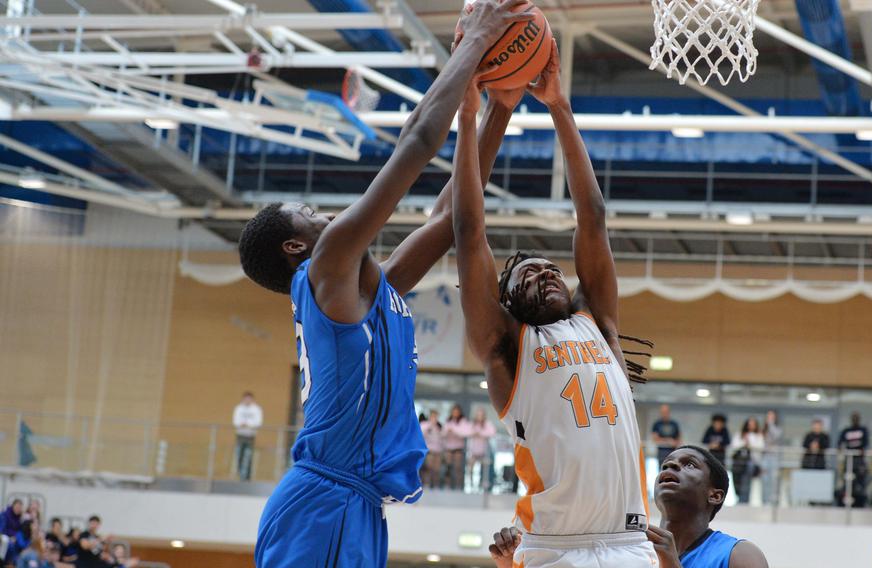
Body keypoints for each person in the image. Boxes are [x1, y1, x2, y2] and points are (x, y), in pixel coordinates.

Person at [239, 3, 533, 566]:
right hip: (322, 502)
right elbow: (418, 141)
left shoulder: (364, 293)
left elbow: (450, 220)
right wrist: (475, 44)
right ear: (295, 246)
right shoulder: (324, 268)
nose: (320, 212)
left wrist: (497, 110)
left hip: (353, 503)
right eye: (305, 211)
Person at [453, 43, 657, 567]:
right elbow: (469, 233)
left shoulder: (599, 325)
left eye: (550, 271)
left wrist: (559, 108)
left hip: (630, 542)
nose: (545, 274)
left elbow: (592, 216)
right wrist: (471, 116)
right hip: (553, 547)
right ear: (507, 304)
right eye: (527, 275)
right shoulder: (505, 348)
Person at [489, 446, 769, 568]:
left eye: (690, 465)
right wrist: (510, 564)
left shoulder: (739, 555)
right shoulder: (627, 550)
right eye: (667, 464)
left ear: (715, 496)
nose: (672, 466)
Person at [837, 412, 869, 507]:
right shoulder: (846, 430)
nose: (855, 420)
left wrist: (862, 449)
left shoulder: (863, 430)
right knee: (847, 480)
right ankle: (845, 501)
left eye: (857, 418)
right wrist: (841, 449)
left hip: (859, 461)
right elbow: (840, 442)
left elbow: (866, 443)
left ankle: (859, 502)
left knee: (860, 481)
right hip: (849, 460)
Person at [730, 417, 764, 505]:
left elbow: (761, 447)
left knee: (746, 480)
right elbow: (734, 446)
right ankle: (739, 497)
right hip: (738, 462)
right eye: (749, 424)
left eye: (753, 424)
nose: (751, 426)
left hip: (751, 462)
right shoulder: (739, 434)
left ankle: (743, 500)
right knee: (736, 480)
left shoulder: (758, 436)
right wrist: (743, 443)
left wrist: (750, 445)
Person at [232, 391, 263, 481]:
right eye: (246, 399)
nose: (247, 400)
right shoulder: (239, 408)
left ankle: (247, 476)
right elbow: (236, 422)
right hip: (240, 435)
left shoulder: (256, 409)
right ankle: (240, 474)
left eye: (249, 399)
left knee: (248, 455)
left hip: (250, 436)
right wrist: (242, 424)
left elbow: (258, 422)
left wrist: (248, 424)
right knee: (239, 454)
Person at [467, 408, 496, 491]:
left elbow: (492, 432)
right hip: (473, 452)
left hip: (484, 453)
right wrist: (474, 433)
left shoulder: (487, 424)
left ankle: (483, 486)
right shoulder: (472, 424)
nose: (479, 417)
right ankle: (471, 486)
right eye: (478, 415)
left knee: (485, 470)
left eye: (481, 415)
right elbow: (466, 432)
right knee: (470, 469)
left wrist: (481, 434)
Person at [442, 405, 470, 490]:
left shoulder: (463, 422)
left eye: (457, 412)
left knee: (458, 468)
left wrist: (454, 430)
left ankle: (458, 486)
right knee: (448, 467)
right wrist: (448, 431)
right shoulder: (448, 421)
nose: (455, 413)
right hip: (449, 448)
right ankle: (447, 485)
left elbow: (465, 433)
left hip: (458, 449)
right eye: (454, 411)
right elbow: (442, 434)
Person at [761, 410, 783, 505]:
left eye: (772, 417)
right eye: (768, 417)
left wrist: (770, 424)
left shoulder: (778, 429)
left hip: (774, 457)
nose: (770, 418)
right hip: (765, 457)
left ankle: (773, 501)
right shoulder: (762, 430)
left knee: (774, 479)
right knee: (765, 479)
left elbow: (776, 436)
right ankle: (765, 501)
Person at [419, 410, 444, 489]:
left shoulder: (439, 426)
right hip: (429, 451)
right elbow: (420, 435)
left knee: (436, 469)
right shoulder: (424, 425)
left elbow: (443, 438)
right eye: (433, 416)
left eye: (436, 416)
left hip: (438, 451)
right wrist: (429, 427)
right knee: (428, 468)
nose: (434, 418)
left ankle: (435, 485)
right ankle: (426, 484)